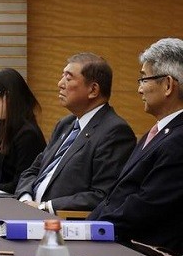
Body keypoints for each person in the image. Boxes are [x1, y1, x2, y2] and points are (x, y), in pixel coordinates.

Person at [89, 38, 183, 253]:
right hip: (115, 239)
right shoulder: (159, 133)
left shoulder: (178, 141)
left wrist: (90, 230)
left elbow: (146, 207)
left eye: (144, 79)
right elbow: (117, 195)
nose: (140, 89)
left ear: (168, 85)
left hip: (139, 254)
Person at [16, 53, 135, 213]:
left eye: (68, 78)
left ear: (93, 90)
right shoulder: (65, 124)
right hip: (30, 213)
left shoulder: (115, 132)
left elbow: (102, 195)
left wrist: (44, 207)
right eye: (62, 77)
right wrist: (25, 199)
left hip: (62, 221)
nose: (60, 84)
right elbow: (33, 171)